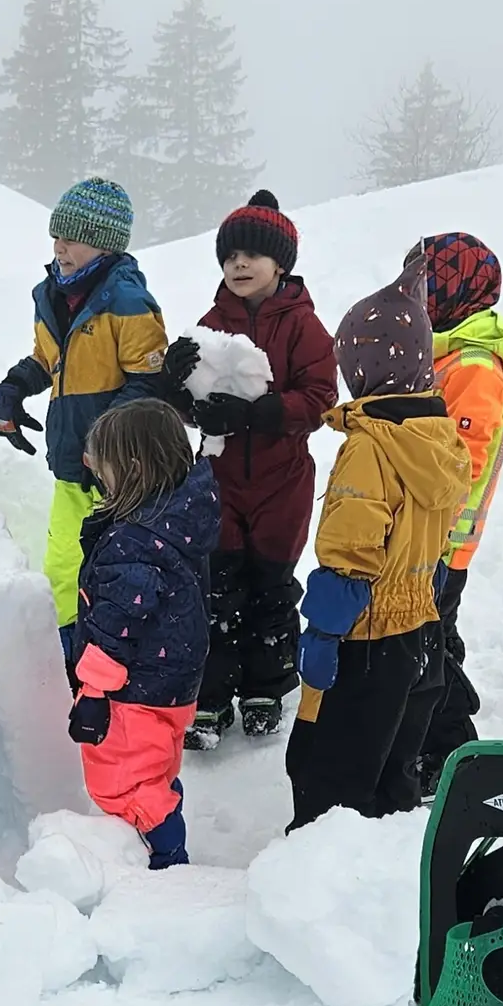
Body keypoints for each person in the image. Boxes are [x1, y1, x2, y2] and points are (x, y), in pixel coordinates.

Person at [284, 253, 471, 825]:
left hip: (365, 641)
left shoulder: (370, 447)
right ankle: (382, 870)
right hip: (419, 633)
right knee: (393, 768)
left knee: (327, 771)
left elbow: (349, 555)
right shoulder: (439, 437)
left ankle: (319, 876)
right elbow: (435, 538)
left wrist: (323, 634)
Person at [159, 190, 338, 749]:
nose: (239, 264)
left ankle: (265, 685)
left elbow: (319, 397)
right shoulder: (209, 325)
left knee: (271, 586)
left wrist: (262, 411)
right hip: (220, 479)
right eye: (230, 256)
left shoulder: (304, 326)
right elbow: (189, 405)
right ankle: (209, 696)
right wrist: (177, 383)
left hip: (282, 482)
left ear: (280, 264)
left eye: (251, 256)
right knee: (216, 586)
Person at [0, 177, 168, 664]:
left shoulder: (128, 302)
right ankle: (69, 651)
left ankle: (120, 657)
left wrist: (104, 443)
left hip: (122, 477)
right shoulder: (51, 295)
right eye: (56, 235)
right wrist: (13, 389)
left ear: (106, 244)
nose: (59, 246)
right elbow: (47, 358)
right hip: (72, 467)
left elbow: (147, 384)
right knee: (65, 563)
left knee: (120, 570)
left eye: (72, 237)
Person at [67, 400, 219, 867]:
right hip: (171, 681)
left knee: (124, 784)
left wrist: (93, 693)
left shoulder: (134, 542)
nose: (95, 472)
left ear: (132, 469)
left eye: (103, 464)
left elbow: (116, 626)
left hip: (133, 689)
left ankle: (164, 864)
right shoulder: (177, 518)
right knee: (153, 773)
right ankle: (162, 839)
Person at [399, 232, 503, 790]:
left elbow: (460, 462)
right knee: (434, 638)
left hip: (441, 542)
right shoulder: (443, 353)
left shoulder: (473, 367)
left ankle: (448, 751)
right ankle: (444, 725)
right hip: (424, 536)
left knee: (424, 645)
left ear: (457, 293)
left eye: (424, 285)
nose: (412, 296)